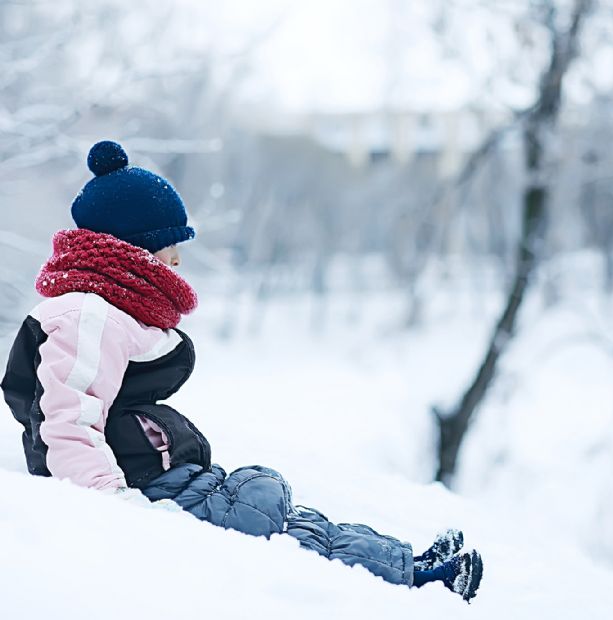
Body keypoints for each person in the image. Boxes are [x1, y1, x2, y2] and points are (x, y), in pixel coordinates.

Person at [0, 140, 483, 602]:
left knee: (283, 519)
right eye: (171, 242)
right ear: (137, 246)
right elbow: (69, 421)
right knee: (269, 526)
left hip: (155, 471)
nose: (178, 257)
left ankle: (405, 564)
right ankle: (411, 581)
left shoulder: (104, 310)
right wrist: (116, 506)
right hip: (135, 484)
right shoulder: (87, 315)